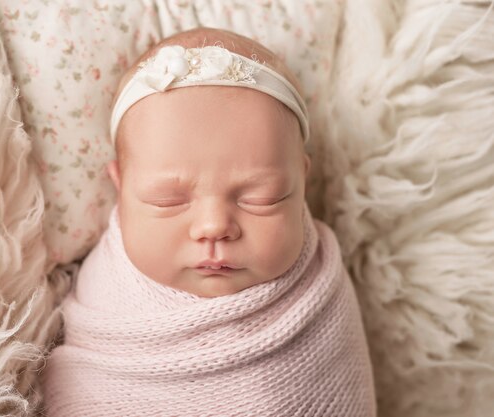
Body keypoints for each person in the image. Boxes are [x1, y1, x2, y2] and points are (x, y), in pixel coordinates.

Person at [42, 27, 377, 416]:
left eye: (261, 198)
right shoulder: (106, 293)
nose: (214, 226)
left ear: (302, 182)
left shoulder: (321, 288)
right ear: (120, 187)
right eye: (167, 200)